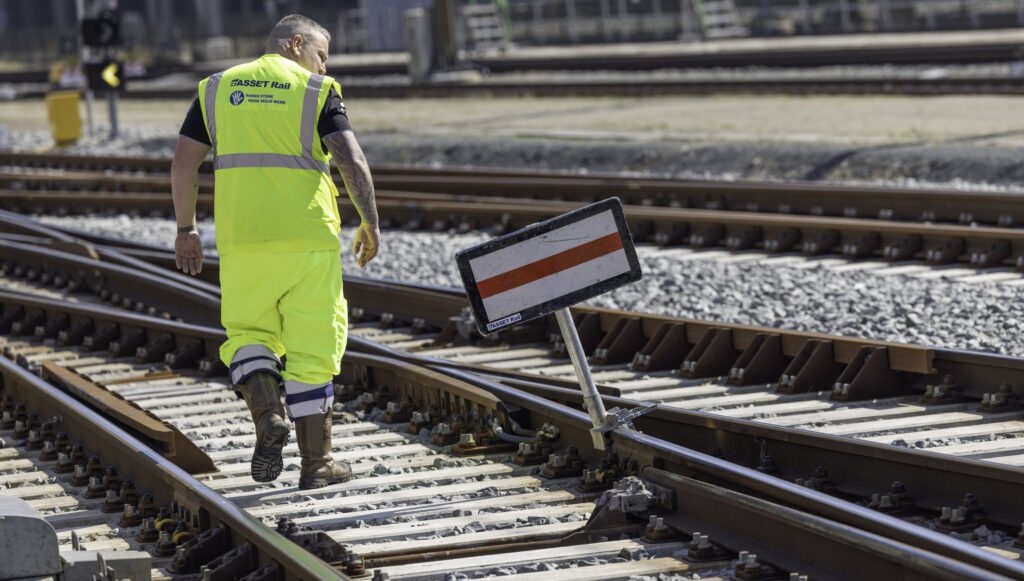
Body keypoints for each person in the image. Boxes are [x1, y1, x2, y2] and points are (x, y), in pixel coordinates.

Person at [171, 14, 380, 490]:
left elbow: (184, 162)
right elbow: (351, 159)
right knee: (313, 346)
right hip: (309, 239)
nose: (324, 66)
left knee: (248, 334)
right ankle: (317, 464)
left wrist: (187, 229)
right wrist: (369, 221)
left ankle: (268, 416)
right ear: (296, 43)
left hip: (243, 240)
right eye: (321, 55)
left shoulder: (216, 88)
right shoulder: (316, 90)